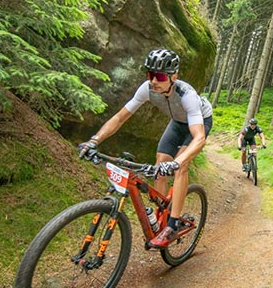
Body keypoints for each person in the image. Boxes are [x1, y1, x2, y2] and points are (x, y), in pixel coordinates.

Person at [78, 49, 213, 248]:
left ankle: (173, 224)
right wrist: (94, 140)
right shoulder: (147, 89)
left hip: (198, 123)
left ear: (173, 76)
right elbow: (119, 118)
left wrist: (177, 162)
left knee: (180, 167)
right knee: (160, 165)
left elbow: (199, 137)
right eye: (149, 75)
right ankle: (162, 214)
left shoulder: (187, 95)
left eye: (159, 76)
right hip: (177, 122)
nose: (153, 81)